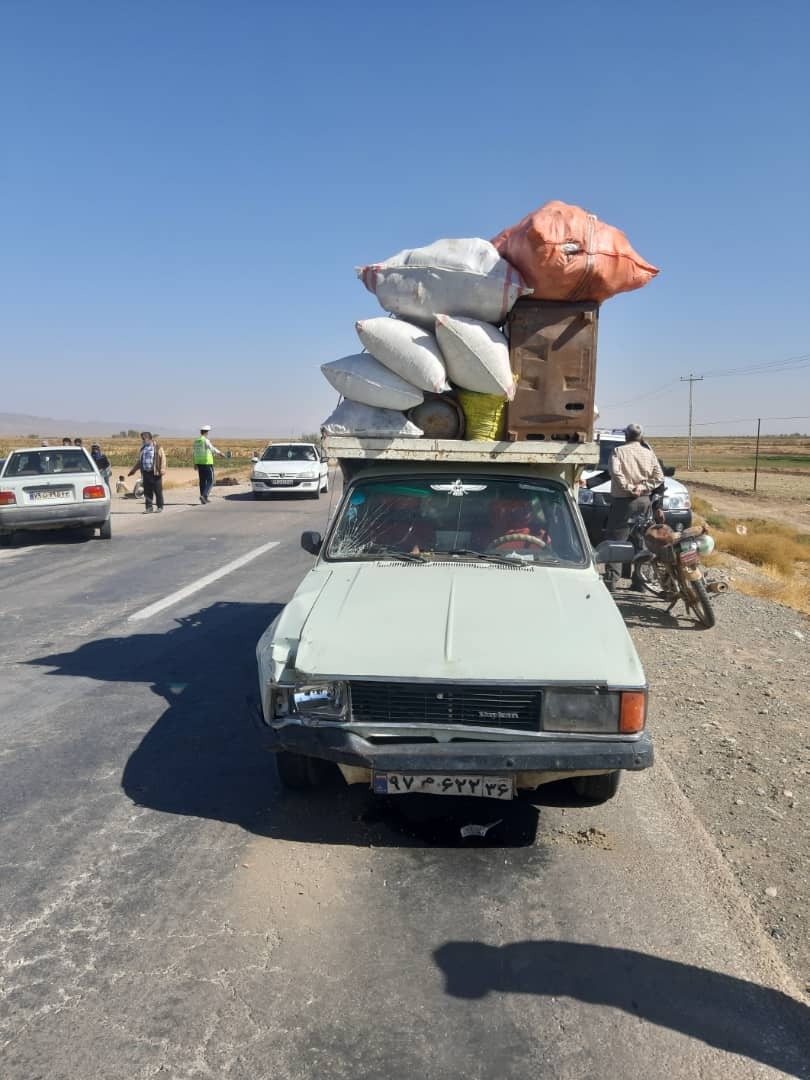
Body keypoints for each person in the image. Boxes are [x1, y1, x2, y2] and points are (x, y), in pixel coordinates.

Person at [604, 423, 664, 593]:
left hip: (623, 501)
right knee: (641, 541)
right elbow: (659, 477)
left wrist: (629, 488)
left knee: (616, 540)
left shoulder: (618, 451)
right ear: (640, 436)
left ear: (626, 436)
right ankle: (639, 582)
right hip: (644, 501)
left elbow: (615, 472)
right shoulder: (649, 453)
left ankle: (611, 581)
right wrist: (644, 487)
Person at [127, 431, 167, 513]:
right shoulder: (143, 449)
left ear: (149, 439)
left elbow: (163, 458)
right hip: (146, 472)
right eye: (142, 439)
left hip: (155, 472)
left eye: (144, 439)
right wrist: (133, 470)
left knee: (157, 490)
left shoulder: (158, 447)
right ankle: (149, 508)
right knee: (147, 492)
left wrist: (163, 468)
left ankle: (160, 507)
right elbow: (139, 461)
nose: (143, 441)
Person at [193, 425, 225, 505]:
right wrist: (220, 453)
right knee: (211, 480)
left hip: (199, 463)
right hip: (207, 463)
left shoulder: (197, 441)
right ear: (206, 432)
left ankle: (204, 498)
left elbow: (195, 453)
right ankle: (204, 496)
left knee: (202, 481)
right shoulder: (205, 440)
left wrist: (195, 463)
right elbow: (211, 448)